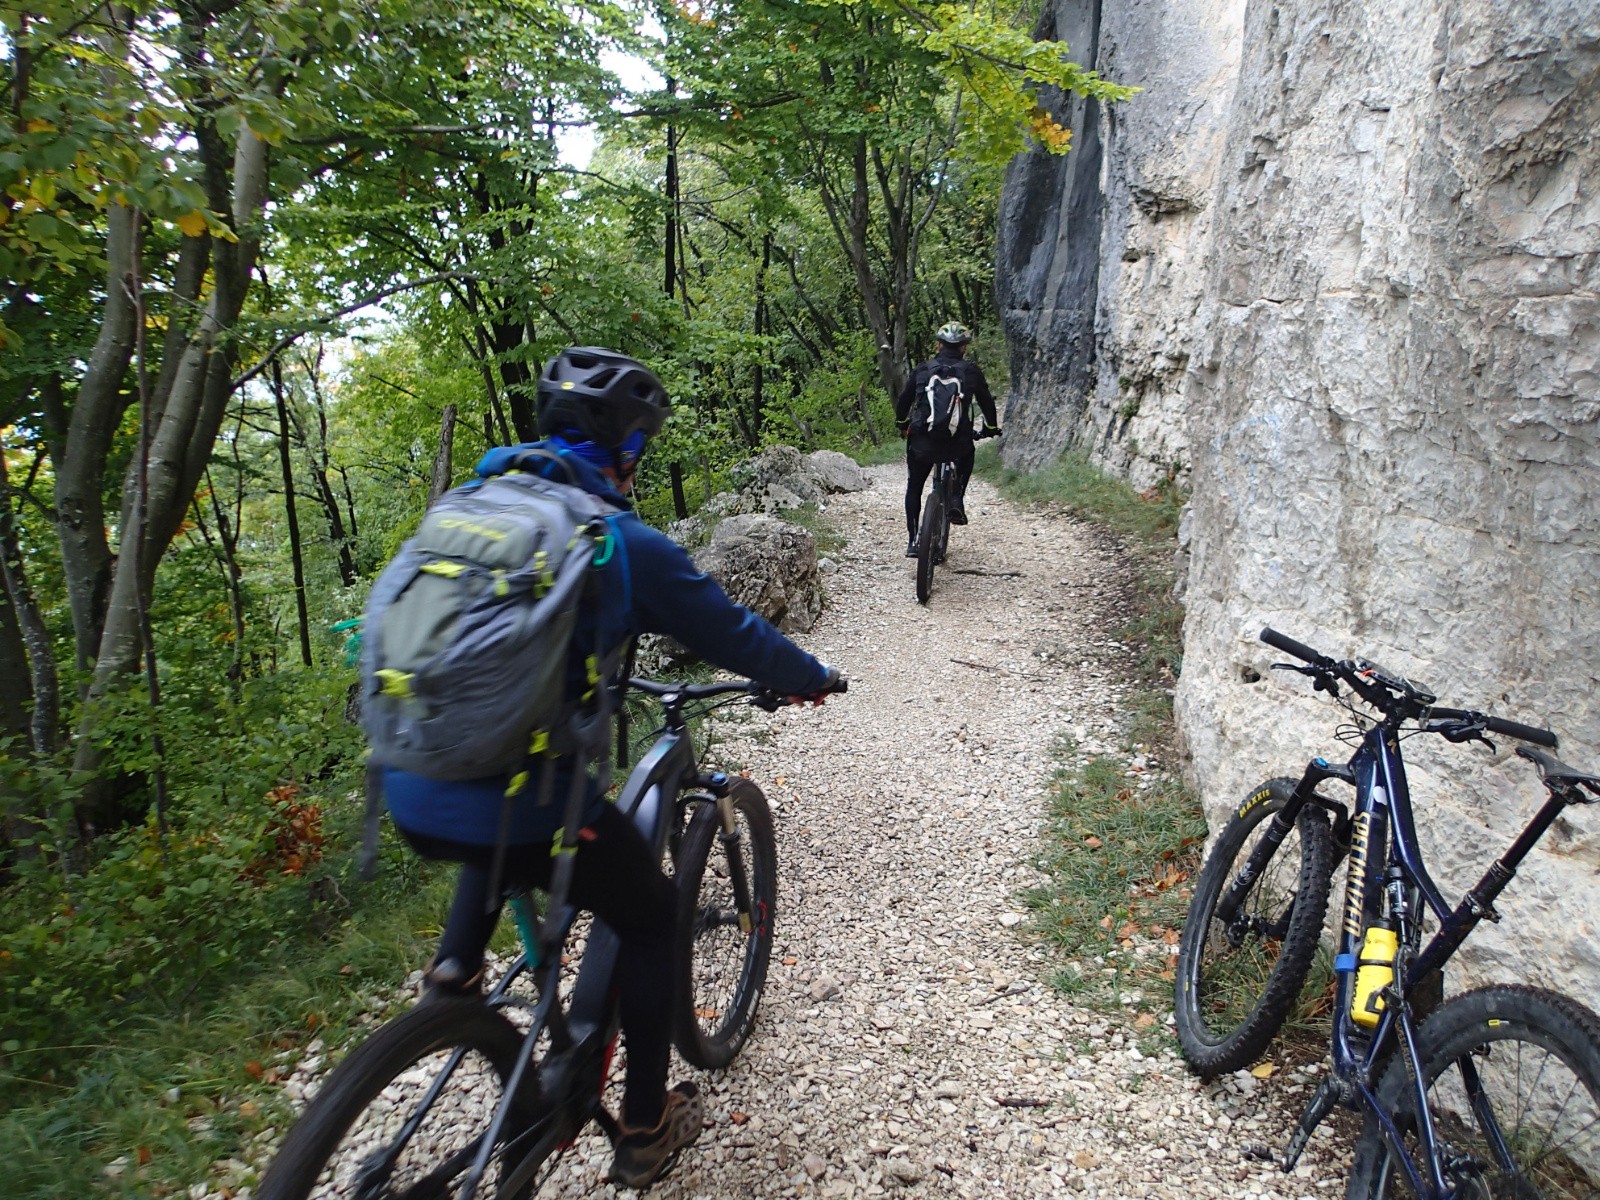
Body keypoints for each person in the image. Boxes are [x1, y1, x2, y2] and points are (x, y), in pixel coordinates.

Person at [380, 347, 840, 1189]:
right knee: (653, 910)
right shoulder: (615, 540)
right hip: (517, 803)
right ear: (624, 447)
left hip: (408, 778)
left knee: (496, 804)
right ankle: (642, 1127)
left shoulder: (466, 506)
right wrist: (808, 677)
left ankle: (452, 986)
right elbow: (732, 632)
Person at [893, 322, 1001, 557]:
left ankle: (913, 541)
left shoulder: (923, 369)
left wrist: (902, 423)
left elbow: (903, 401)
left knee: (914, 486)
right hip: (956, 444)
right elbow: (987, 403)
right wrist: (991, 427)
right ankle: (956, 498)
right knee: (968, 454)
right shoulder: (970, 371)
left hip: (922, 441)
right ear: (963, 348)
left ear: (939, 345)